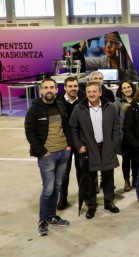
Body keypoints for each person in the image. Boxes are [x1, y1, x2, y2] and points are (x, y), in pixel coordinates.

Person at [25, 78, 72, 236]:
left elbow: (66, 126)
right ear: (41, 90)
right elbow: (29, 132)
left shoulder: (59, 105)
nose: (49, 90)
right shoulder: (35, 109)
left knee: (57, 187)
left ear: (56, 89)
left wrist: (68, 145)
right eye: (46, 88)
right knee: (48, 189)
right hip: (47, 156)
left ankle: (52, 216)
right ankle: (42, 220)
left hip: (63, 152)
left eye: (52, 87)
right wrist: (42, 151)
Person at [69, 81, 121, 219]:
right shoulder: (79, 109)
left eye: (94, 91)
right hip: (89, 149)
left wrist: (114, 143)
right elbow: (73, 128)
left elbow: (116, 126)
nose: (91, 94)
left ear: (100, 92)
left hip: (106, 147)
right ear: (86, 94)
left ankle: (109, 202)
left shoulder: (110, 107)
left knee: (108, 178)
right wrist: (79, 145)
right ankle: (91, 205)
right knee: (90, 179)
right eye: (89, 92)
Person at [55, 77, 85, 210]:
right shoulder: (58, 101)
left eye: (75, 86)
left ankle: (83, 195)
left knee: (82, 170)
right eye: (70, 86)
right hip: (65, 143)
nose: (73, 88)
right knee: (64, 172)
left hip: (80, 141)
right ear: (65, 87)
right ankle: (63, 197)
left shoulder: (84, 99)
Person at [115, 81, 138, 192]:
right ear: (121, 90)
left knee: (136, 159)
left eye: (129, 87)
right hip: (124, 137)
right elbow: (115, 120)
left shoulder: (137, 100)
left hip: (136, 135)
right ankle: (126, 181)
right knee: (126, 159)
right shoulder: (118, 103)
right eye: (124, 88)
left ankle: (135, 179)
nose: (127, 89)